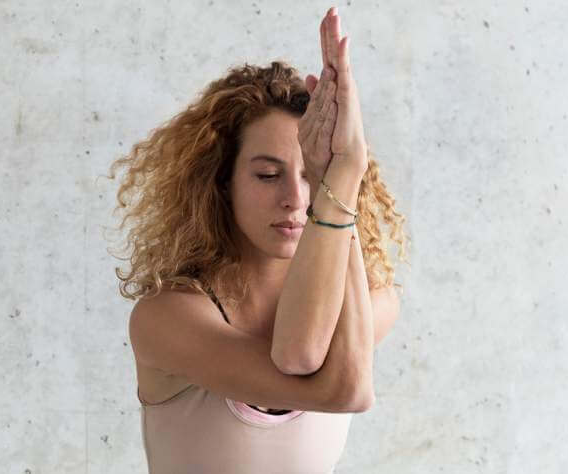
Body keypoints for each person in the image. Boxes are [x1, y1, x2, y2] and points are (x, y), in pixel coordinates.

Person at [106, 6, 409, 473]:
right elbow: (341, 388)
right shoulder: (167, 318)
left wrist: (340, 177)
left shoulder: (374, 302)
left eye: (312, 177)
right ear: (222, 182)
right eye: (268, 175)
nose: (297, 199)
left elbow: (300, 349)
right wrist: (341, 173)